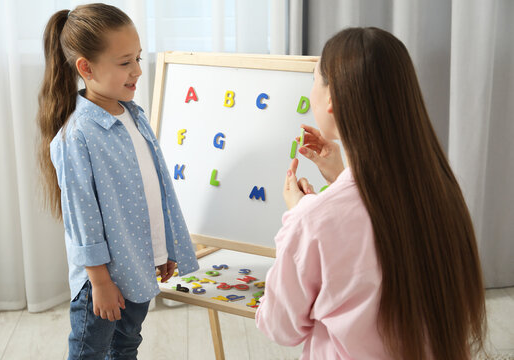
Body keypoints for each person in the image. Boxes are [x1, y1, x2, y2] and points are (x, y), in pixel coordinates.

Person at [255, 27, 486, 360]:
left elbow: (281, 327)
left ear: (331, 99)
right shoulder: (440, 189)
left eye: (315, 79)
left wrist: (297, 215)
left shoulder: (313, 219)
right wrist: (339, 178)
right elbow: (377, 232)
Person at [36, 4, 198, 359]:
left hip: (137, 266)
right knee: (89, 353)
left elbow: (155, 190)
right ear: (86, 67)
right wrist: (100, 282)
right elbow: (83, 218)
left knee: (126, 346)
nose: (138, 70)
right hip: (103, 281)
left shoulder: (133, 115)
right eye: (125, 62)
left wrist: (163, 246)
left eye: (138, 58)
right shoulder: (76, 136)